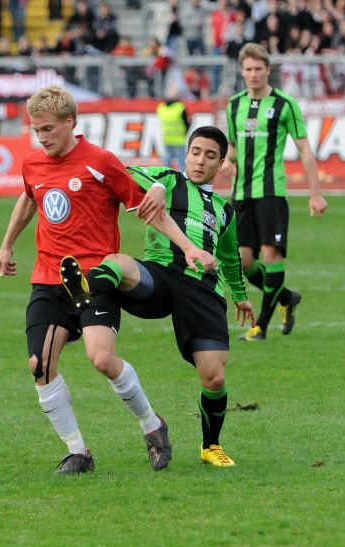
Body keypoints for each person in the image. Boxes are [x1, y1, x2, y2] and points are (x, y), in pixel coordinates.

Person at [0, 86, 215, 475]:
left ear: (70, 123)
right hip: (49, 276)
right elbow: (30, 197)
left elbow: (149, 211)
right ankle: (78, 451)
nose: (41, 137)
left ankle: (152, 424)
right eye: (36, 131)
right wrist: (7, 245)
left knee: (102, 359)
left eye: (48, 129)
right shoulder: (33, 164)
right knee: (38, 365)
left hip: (96, 277)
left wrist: (188, 247)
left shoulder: (101, 162)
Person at [59, 126, 255, 467]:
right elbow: (122, 173)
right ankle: (83, 293)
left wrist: (241, 296)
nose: (200, 161)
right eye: (195, 152)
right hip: (159, 277)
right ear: (186, 153)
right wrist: (160, 185)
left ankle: (210, 447)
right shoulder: (167, 178)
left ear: (221, 163)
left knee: (215, 376)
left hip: (202, 289)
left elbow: (230, 257)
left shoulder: (225, 211)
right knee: (118, 262)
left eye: (210, 156)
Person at [220, 42, 328, 342]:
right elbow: (232, 146)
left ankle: (260, 328)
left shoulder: (285, 104)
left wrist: (315, 193)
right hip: (241, 194)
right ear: (242, 72)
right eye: (248, 69)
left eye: (258, 69)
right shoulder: (234, 105)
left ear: (268, 70)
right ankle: (286, 298)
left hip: (271, 193)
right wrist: (228, 162)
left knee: (270, 254)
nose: (253, 74)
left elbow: (304, 148)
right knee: (243, 261)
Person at [156, 85, 190, 171]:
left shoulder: (161, 107)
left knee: (167, 160)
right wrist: (185, 132)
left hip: (167, 138)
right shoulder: (180, 107)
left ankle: (165, 177)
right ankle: (182, 180)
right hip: (179, 139)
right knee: (181, 162)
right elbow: (186, 122)